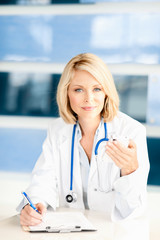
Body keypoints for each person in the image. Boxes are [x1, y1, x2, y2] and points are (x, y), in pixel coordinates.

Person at [17, 53, 150, 226]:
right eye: (78, 89)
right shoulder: (57, 130)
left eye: (97, 89)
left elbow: (133, 209)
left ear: (106, 92)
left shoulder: (131, 131)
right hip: (70, 230)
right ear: (67, 92)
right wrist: (35, 204)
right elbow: (43, 180)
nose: (89, 98)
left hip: (113, 231)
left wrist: (130, 170)